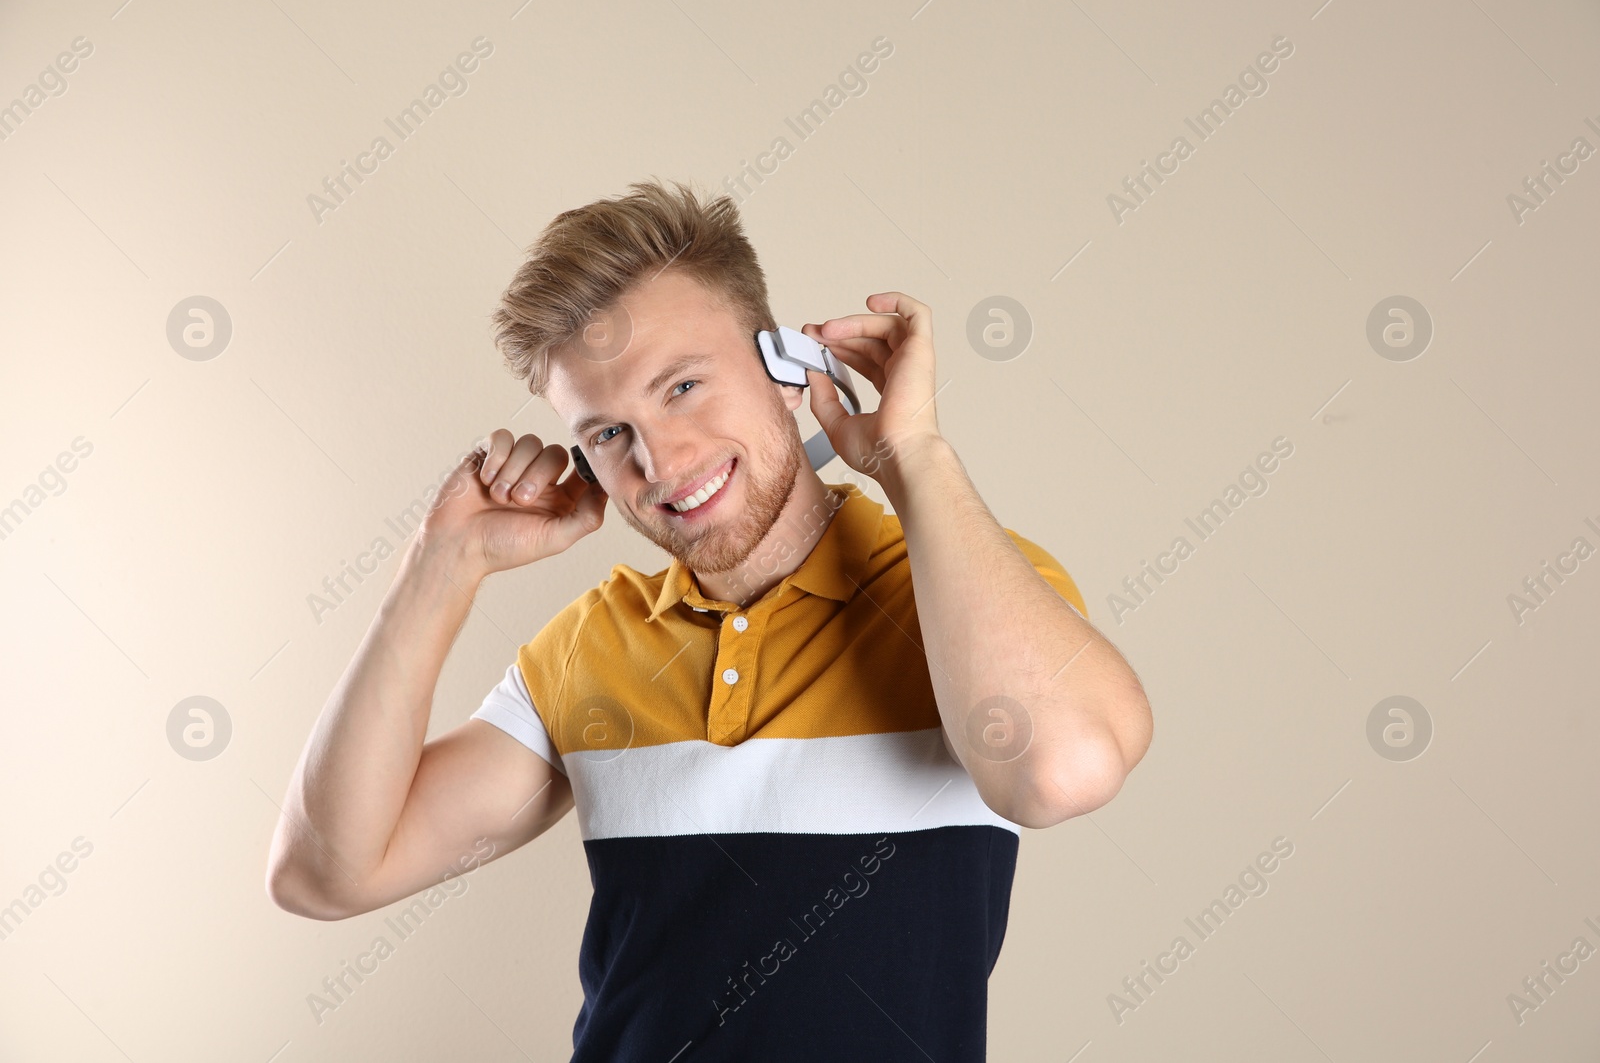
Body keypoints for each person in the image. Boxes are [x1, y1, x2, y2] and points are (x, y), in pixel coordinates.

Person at [266, 178, 1153, 1061]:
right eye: (608, 433)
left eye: (683, 385)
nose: (661, 458)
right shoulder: (590, 646)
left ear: (789, 370)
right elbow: (324, 873)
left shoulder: (967, 595)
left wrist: (913, 453)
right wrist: (439, 567)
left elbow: (1059, 773)